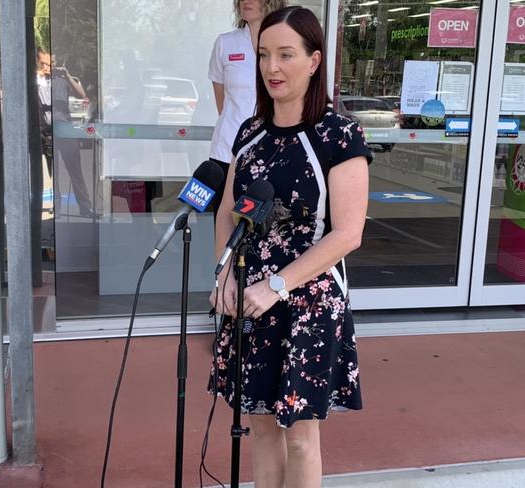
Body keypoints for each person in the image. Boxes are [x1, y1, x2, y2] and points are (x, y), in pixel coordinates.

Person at [209, 7, 372, 488]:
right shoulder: (250, 134)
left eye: (285, 55)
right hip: (249, 298)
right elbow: (227, 213)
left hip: (308, 299)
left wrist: (277, 285)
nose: (272, 68)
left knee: (300, 435)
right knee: (259, 427)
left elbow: (347, 233)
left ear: (314, 60)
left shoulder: (339, 136)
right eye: (264, 55)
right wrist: (225, 275)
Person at [207, 0, 287, 216]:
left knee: (264, 228)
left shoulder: (286, 44)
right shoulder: (225, 44)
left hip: (272, 151)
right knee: (224, 222)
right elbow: (222, 102)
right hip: (227, 151)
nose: (245, 1)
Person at [36, 49, 95, 217]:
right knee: (53, 171)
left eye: (53, 63)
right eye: (46, 64)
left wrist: (67, 75)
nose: (50, 67)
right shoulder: (37, 80)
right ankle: (58, 208)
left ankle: (85, 207)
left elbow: (82, 95)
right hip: (45, 130)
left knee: (74, 169)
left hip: (64, 128)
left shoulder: (62, 79)